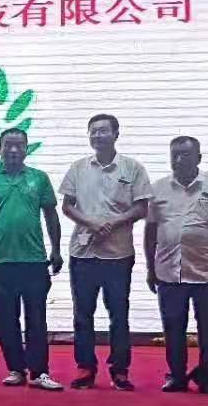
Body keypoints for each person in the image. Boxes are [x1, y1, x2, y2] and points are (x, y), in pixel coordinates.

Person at [144, 136, 208, 394]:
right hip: (169, 271)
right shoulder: (157, 189)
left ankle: (207, 377)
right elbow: (150, 231)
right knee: (173, 327)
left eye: (185, 154)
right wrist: (150, 268)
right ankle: (176, 376)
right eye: (174, 155)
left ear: (198, 157)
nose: (179, 160)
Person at [60, 113, 152, 391]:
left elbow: (141, 208)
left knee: (119, 314)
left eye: (103, 130)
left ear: (116, 134)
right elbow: (67, 206)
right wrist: (91, 223)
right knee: (82, 315)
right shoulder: (78, 168)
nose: (98, 135)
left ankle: (120, 370)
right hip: (83, 253)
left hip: (118, 253)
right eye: (94, 131)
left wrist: (113, 223)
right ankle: (85, 368)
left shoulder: (132, 168)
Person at [0, 128, 64, 392]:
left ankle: (39, 372)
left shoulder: (39, 178)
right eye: (8, 145)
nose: (13, 150)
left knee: (36, 318)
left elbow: (51, 215)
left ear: (26, 148)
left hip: (34, 260)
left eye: (19, 145)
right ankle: (15, 369)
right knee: (5, 319)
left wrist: (56, 249)